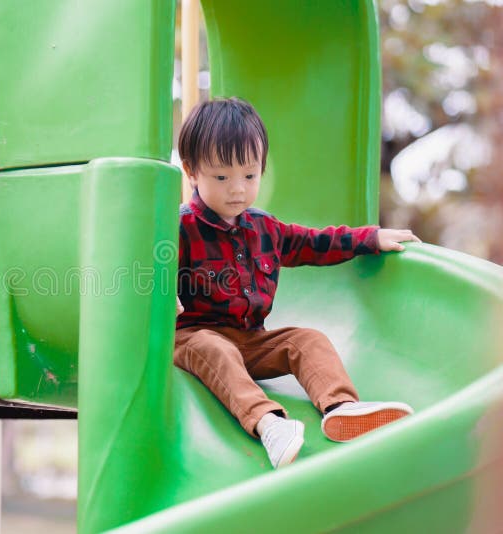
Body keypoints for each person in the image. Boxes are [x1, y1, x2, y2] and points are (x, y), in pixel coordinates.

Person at [174, 97, 418, 469]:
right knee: (214, 347)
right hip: (193, 339)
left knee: (306, 340)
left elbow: (315, 242)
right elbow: (146, 262)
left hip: (250, 340)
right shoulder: (179, 227)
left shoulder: (264, 228)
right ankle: (268, 423)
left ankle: (342, 408)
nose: (237, 189)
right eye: (222, 177)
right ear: (192, 172)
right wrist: (163, 292)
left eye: (250, 175)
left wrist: (370, 238)